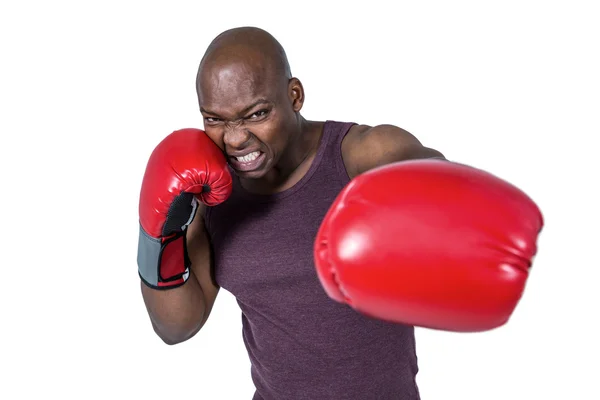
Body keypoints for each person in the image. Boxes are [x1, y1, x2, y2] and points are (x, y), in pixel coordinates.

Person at [137, 27, 543, 399]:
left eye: (257, 114)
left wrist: (419, 203)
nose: (237, 138)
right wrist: (158, 233)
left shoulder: (362, 155)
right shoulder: (210, 195)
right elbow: (176, 327)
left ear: (294, 96)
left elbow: (453, 191)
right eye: (216, 120)